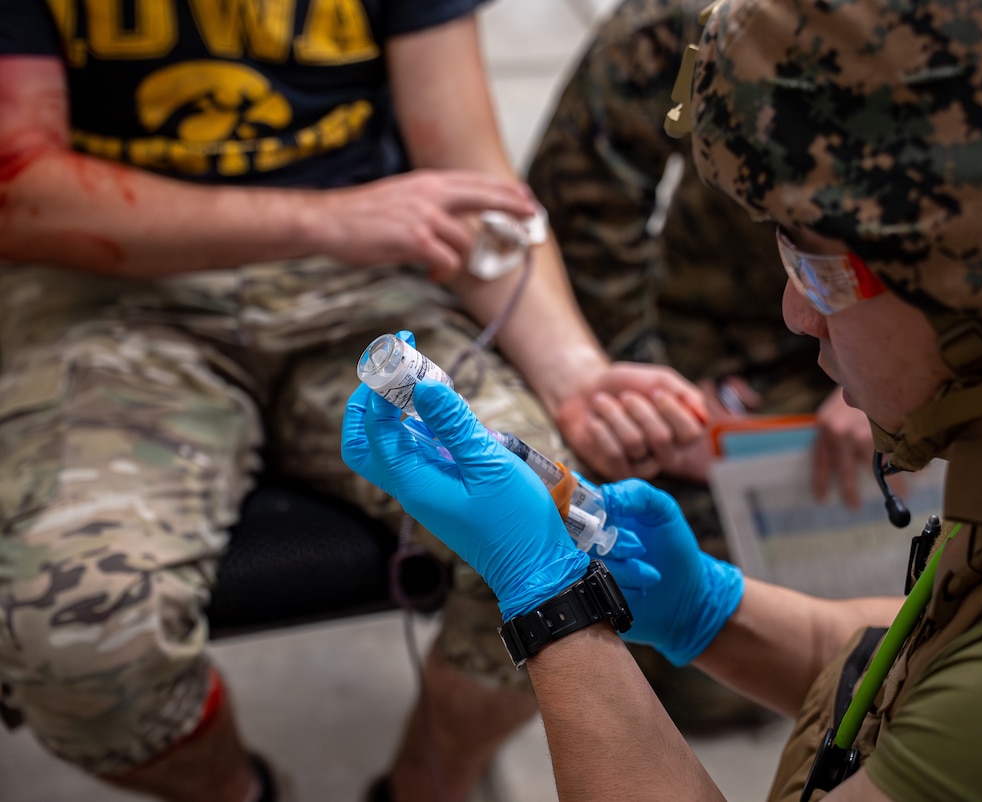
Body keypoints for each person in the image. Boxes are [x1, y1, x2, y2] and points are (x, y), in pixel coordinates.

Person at [342, 0, 982, 799]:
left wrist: (552, 605)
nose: (795, 311)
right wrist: (710, 610)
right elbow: (922, 660)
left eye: (820, 270)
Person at [0, 2, 711, 801]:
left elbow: (472, 178)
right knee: (77, 645)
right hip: (107, 289)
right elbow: (20, 189)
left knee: (575, 540)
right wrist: (328, 216)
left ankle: (426, 785)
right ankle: (236, 790)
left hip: (366, 281)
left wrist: (575, 373)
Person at [526, 0, 878, 731]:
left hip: (929, 337)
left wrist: (904, 376)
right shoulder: (688, 26)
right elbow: (579, 215)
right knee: (690, 664)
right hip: (713, 334)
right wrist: (654, 388)